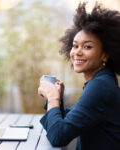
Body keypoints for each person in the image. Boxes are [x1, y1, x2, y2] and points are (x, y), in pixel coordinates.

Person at [38, 2, 120, 150]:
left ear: (105, 55)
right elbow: (68, 123)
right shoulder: (103, 80)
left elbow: (58, 137)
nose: (77, 52)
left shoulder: (101, 86)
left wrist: (52, 98)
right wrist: (58, 99)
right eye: (75, 46)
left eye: (87, 47)